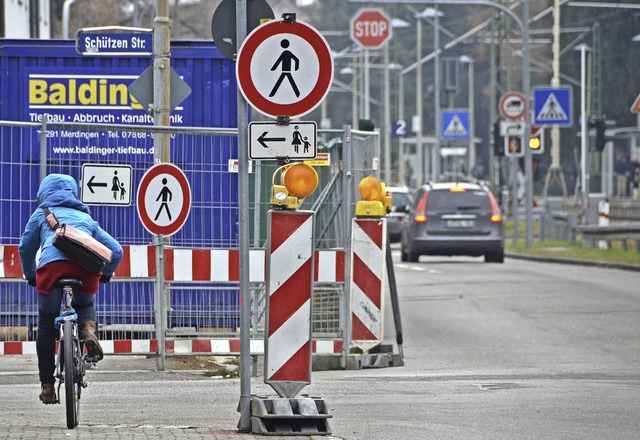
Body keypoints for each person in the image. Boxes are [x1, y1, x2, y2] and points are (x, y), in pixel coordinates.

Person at [18, 174, 123, 405]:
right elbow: (116, 251)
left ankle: (47, 386)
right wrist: (105, 274)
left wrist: (32, 275)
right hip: (84, 271)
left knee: (46, 323)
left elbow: (25, 248)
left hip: (51, 270)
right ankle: (88, 330)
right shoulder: (85, 218)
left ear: (44, 193)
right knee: (85, 304)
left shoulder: (41, 215)